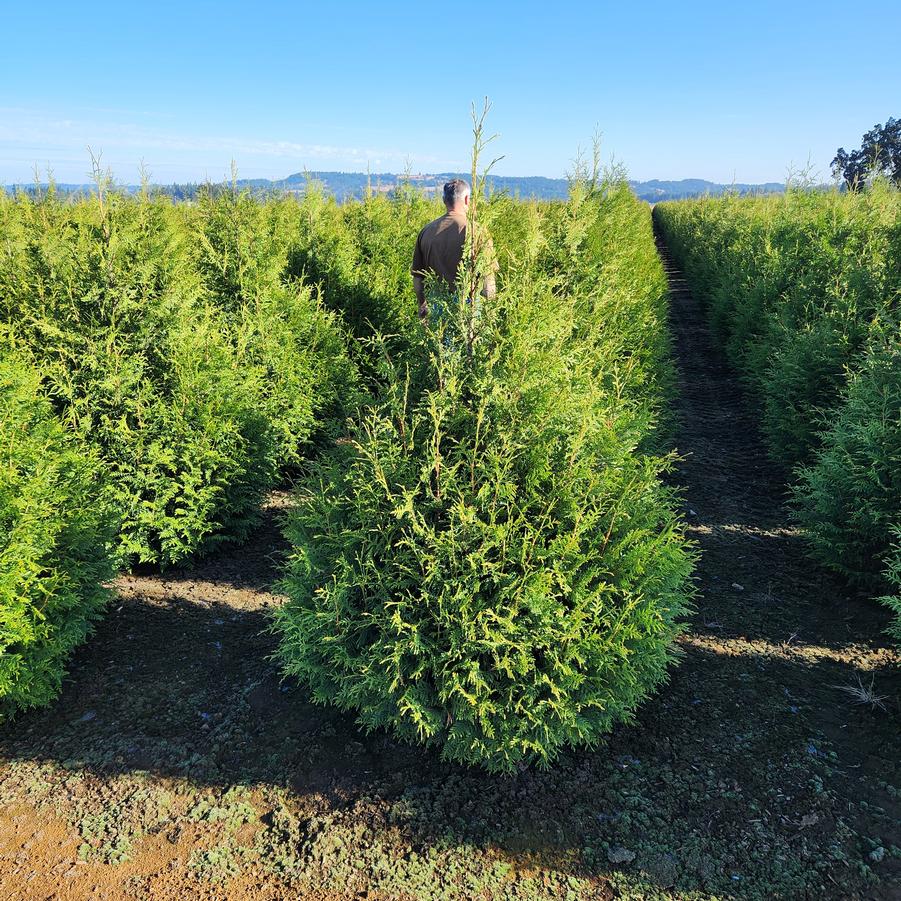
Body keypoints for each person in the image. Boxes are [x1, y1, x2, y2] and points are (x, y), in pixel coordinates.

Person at [411, 178, 497, 325]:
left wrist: (422, 306)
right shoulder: (477, 232)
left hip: (436, 304)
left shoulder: (426, 231)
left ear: (444, 200)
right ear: (466, 199)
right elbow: (488, 282)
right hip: (469, 306)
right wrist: (490, 317)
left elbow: (418, 278)